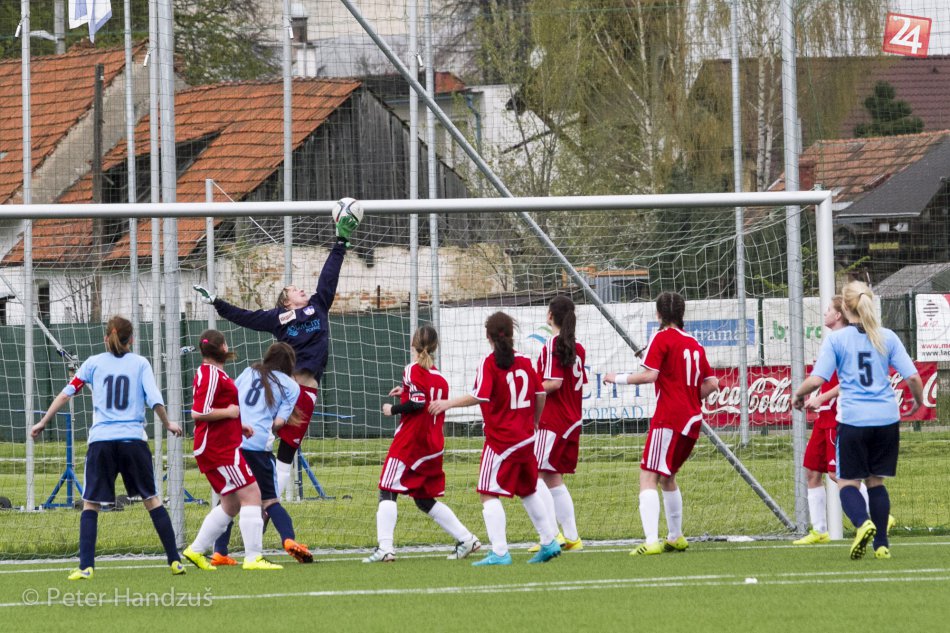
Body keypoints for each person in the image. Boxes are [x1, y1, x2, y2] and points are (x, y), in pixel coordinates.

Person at [193, 208, 359, 501]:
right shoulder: (277, 318)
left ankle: (268, 505)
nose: (301, 289)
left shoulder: (319, 305)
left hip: (305, 392)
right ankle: (230, 500)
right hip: (280, 391)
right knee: (253, 443)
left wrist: (340, 242)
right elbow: (244, 316)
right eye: (294, 289)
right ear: (286, 301)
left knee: (287, 452)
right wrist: (218, 303)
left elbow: (329, 275)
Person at [30, 316, 184, 580]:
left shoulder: (93, 363)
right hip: (133, 441)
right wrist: (168, 423)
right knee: (151, 499)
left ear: (106, 338)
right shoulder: (141, 363)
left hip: (102, 442)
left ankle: (86, 566)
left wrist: (43, 421)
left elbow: (67, 393)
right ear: (131, 339)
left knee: (91, 504)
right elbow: (155, 399)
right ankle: (174, 561)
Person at [793, 281, 923, 560]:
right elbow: (913, 377)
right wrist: (918, 401)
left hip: (853, 419)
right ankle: (882, 545)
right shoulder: (887, 336)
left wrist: (799, 394)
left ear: (845, 306)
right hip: (886, 419)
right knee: (876, 482)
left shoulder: (837, 340)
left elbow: (817, 379)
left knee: (846, 482)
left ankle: (863, 523)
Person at [429, 312, 561, 566]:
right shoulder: (525, 361)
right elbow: (540, 394)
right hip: (526, 439)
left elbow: (479, 395)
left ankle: (500, 552)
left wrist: (447, 403)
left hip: (501, 441)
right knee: (528, 490)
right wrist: (534, 421)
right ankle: (549, 541)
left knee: (488, 493)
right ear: (512, 334)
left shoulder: (489, 363)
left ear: (487, 336)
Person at [604, 292, 719, 556]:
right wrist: (690, 397)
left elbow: (650, 375)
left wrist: (617, 377)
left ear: (658, 314)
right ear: (682, 313)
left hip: (669, 418)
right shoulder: (694, 343)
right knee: (667, 477)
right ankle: (676, 537)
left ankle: (651, 540)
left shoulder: (661, 337)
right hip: (693, 419)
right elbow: (713, 383)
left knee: (648, 475)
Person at [364, 325, 481, 563]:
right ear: (435, 347)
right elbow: (424, 397)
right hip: (433, 444)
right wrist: (405, 392)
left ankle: (385, 548)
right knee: (423, 499)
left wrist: (392, 409)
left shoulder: (412, 368)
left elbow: (418, 402)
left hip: (411, 442)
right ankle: (466, 539)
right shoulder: (441, 378)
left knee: (387, 488)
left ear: (413, 344)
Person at [182, 330, 282, 571]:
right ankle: (253, 557)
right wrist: (230, 413)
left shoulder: (213, 373)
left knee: (231, 504)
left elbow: (214, 410)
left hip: (221, 445)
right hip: (219, 449)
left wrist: (238, 425)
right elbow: (198, 412)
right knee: (253, 494)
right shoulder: (211, 374)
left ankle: (195, 550)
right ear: (223, 348)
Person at [211, 342, 313, 565]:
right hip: (258, 448)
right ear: (290, 364)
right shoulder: (292, 385)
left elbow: (232, 396)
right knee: (269, 501)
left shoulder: (249, 371)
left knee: (228, 499)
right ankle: (288, 539)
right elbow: (279, 422)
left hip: (233, 442)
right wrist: (267, 425)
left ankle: (219, 552)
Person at [528, 296, 587, 554]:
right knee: (553, 476)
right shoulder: (577, 346)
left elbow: (554, 382)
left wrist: (527, 390)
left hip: (553, 420)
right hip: (571, 419)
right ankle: (572, 537)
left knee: (532, 473)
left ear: (550, 315)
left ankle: (552, 536)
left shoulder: (553, 343)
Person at [794, 296, 848, 545]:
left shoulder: (845, 342)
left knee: (838, 474)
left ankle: (878, 514)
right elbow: (824, 378)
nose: (824, 313)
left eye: (828, 310)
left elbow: (846, 382)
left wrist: (819, 397)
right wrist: (814, 397)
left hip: (836, 417)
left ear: (838, 315)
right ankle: (820, 530)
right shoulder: (830, 341)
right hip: (822, 418)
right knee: (812, 471)